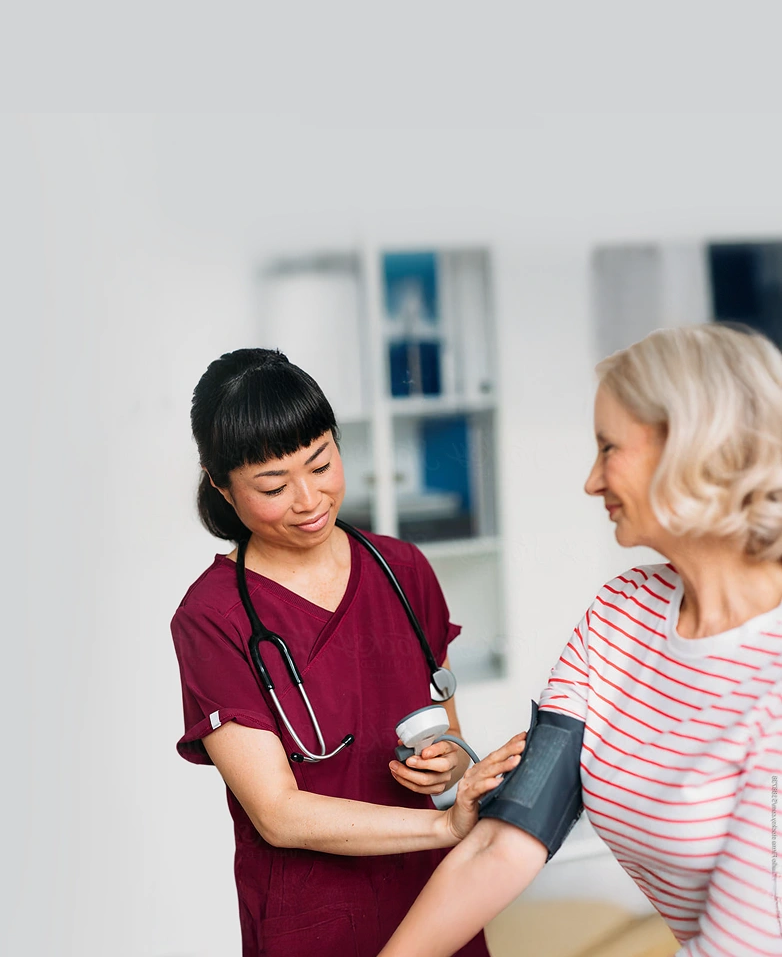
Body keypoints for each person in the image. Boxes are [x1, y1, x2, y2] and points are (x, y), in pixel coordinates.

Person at [379, 324, 782, 957]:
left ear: (692, 448)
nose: (592, 482)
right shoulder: (622, 613)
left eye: (608, 448)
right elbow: (504, 837)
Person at [170, 348, 523, 957]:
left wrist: (451, 768)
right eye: (274, 486)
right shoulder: (212, 618)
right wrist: (443, 824)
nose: (309, 500)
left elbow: (448, 735)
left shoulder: (402, 569)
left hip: (435, 899)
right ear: (221, 487)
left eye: (321, 463)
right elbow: (277, 814)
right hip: (314, 924)